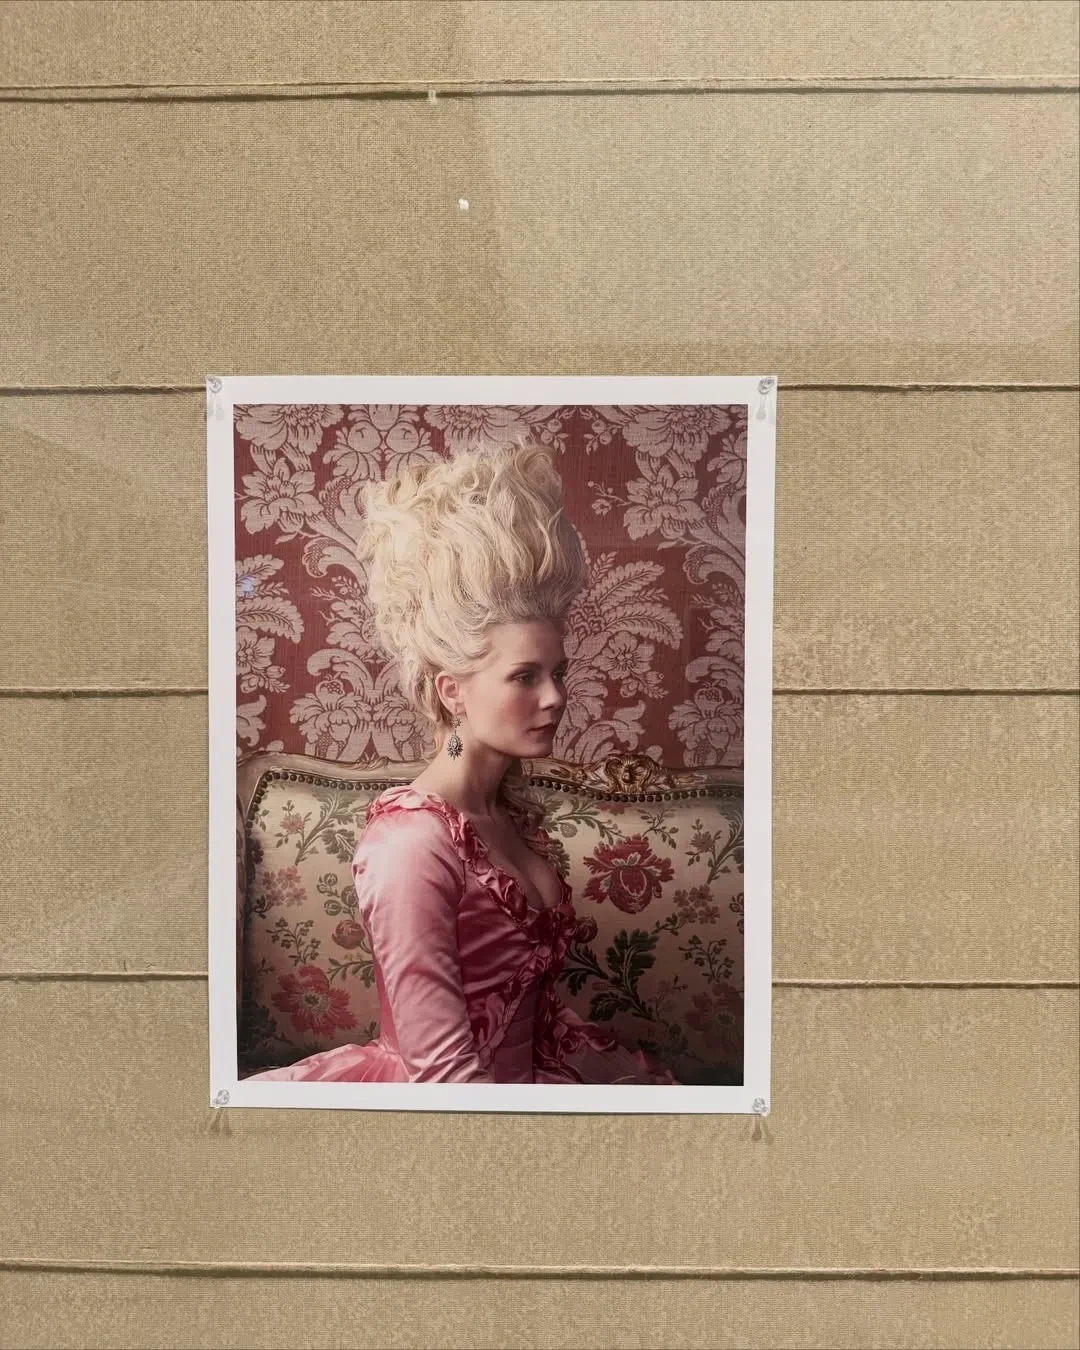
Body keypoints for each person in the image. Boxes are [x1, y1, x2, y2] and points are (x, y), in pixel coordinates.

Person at [244, 440, 678, 1085]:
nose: (555, 697)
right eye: (525, 677)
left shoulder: (505, 814)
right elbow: (442, 1072)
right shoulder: (410, 843)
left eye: (558, 673)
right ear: (453, 691)